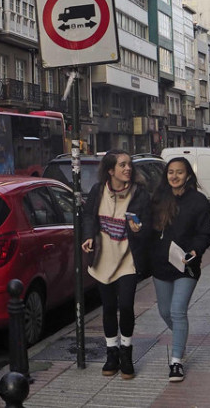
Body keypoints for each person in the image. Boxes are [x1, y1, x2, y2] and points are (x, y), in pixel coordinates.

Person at [81, 150, 154, 379]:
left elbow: (148, 226)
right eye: (122, 165)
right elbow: (88, 216)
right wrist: (89, 235)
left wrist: (139, 230)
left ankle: (126, 353)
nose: (128, 168)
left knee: (126, 305)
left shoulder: (139, 194)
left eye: (129, 164)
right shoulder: (97, 191)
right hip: (104, 257)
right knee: (109, 307)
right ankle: (111, 353)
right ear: (110, 170)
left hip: (127, 258)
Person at [148, 157, 210, 382]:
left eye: (179, 172)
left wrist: (196, 250)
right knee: (165, 312)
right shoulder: (157, 199)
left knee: (177, 311)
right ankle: (180, 339)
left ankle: (176, 361)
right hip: (161, 265)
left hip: (187, 265)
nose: (174, 176)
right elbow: (149, 230)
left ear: (188, 175)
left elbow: (205, 232)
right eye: (170, 172)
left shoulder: (199, 201)